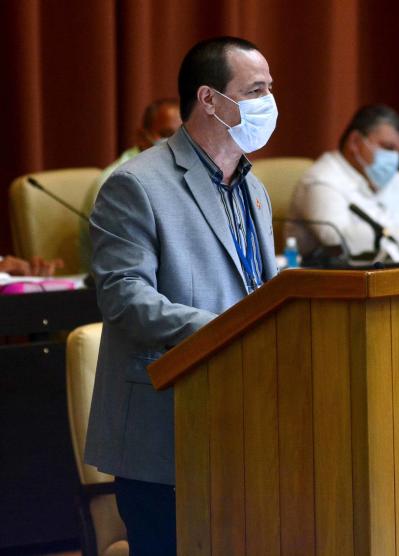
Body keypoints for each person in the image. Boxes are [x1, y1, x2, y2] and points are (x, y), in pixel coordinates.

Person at [84, 36, 279, 554]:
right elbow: (126, 299)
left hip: (246, 425)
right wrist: (229, 331)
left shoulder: (254, 188)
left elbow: (260, 290)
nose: (269, 102)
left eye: (270, 89)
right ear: (209, 99)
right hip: (168, 433)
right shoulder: (136, 184)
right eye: (255, 89)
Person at [286, 104, 399, 258]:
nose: (394, 158)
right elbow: (337, 239)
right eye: (388, 148)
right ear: (355, 142)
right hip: (339, 286)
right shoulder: (321, 180)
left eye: (398, 151)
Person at [78, 99, 182, 270]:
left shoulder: (173, 174)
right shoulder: (118, 183)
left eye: (181, 136)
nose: (175, 144)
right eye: (166, 134)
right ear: (142, 138)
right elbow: (123, 265)